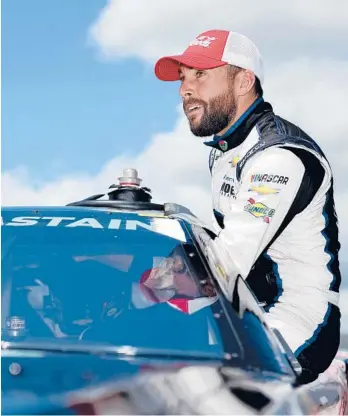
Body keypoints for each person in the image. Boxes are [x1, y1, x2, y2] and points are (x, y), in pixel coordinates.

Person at [154, 29, 341, 384]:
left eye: (200, 75)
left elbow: (223, 262)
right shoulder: (224, 152)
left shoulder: (280, 157)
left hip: (299, 321)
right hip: (245, 311)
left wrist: (141, 287)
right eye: (182, 78)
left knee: (194, 387)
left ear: (244, 81)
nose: (184, 90)